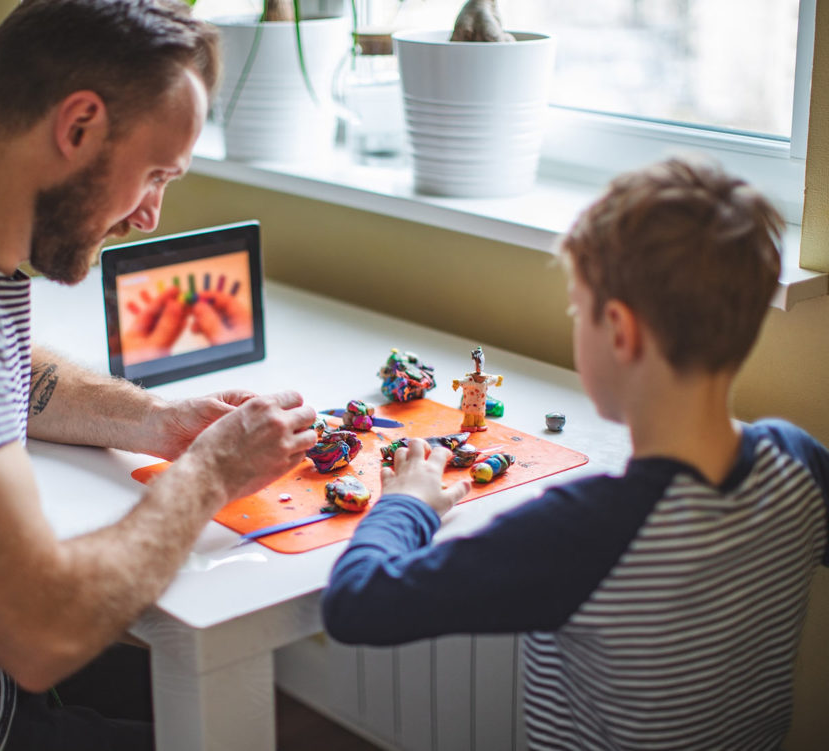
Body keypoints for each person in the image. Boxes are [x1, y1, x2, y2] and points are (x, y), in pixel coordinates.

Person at [0, 0, 317, 748]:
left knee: (277, 702)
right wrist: (211, 473)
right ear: (77, 127)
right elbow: (39, 633)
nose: (150, 215)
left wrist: (152, 421)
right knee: (280, 726)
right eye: (154, 174)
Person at [321, 157, 829, 750]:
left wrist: (408, 501)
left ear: (619, 331)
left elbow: (358, 605)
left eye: (576, 312)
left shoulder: (589, 531)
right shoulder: (798, 464)